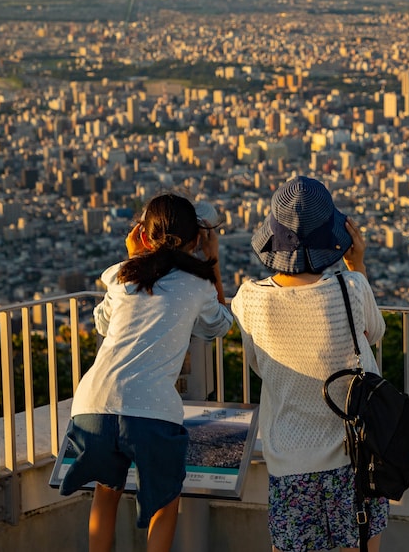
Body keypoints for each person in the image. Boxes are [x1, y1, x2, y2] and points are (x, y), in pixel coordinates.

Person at [59, 193, 233, 552]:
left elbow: (103, 324)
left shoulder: (123, 275)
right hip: (152, 411)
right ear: (196, 238)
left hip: (94, 403)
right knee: (164, 500)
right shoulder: (196, 286)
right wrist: (212, 261)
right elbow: (219, 325)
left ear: (143, 234)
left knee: (106, 493)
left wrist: (133, 256)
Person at [231, 176, 388, 552]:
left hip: (290, 462)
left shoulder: (249, 300)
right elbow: (374, 333)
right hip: (356, 457)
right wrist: (357, 264)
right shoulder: (351, 287)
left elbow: (259, 364)